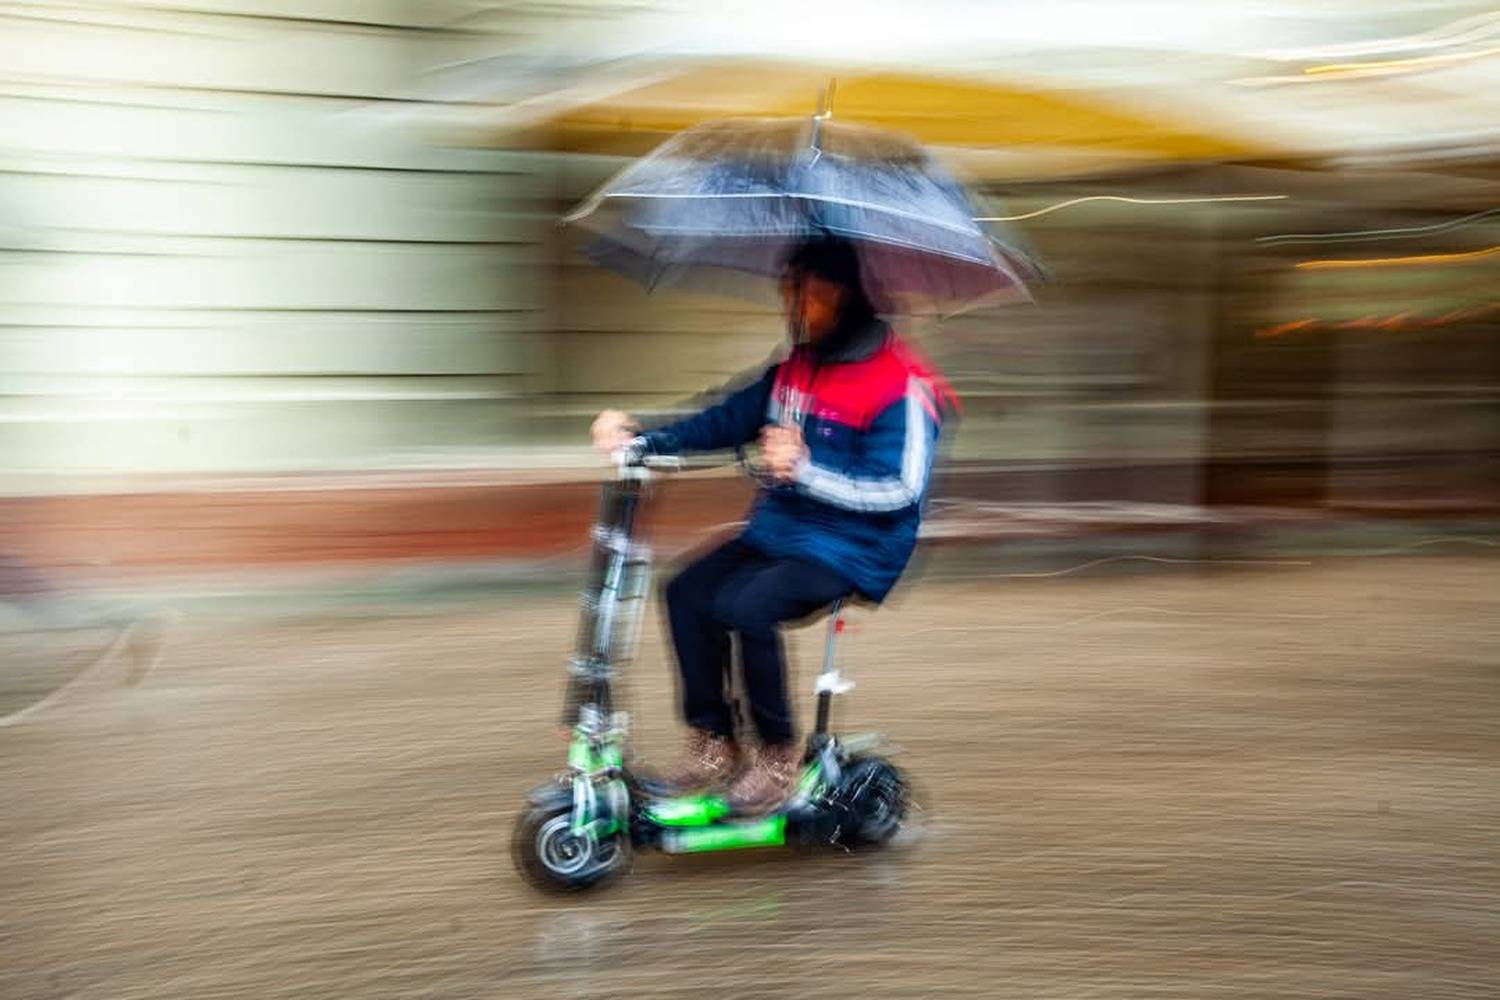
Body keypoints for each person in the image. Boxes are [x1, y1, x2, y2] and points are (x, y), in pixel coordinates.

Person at [590, 233, 956, 815]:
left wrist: (805, 469)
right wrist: (644, 438)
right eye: (788, 290)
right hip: (783, 530)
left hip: (855, 546)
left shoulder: (903, 385)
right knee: (686, 591)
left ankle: (777, 757)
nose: (793, 305)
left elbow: (900, 489)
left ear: (846, 294)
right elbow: (725, 417)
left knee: (746, 605)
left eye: (806, 292)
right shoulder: (797, 367)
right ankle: (716, 743)